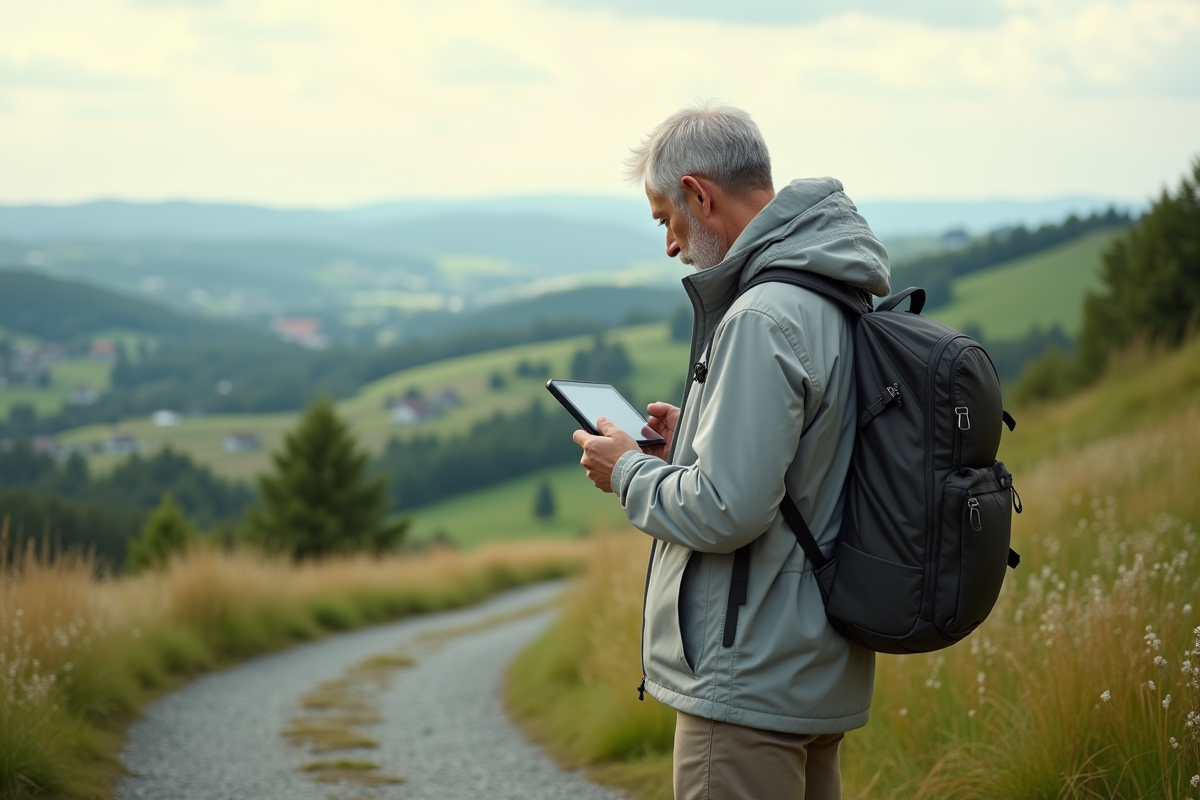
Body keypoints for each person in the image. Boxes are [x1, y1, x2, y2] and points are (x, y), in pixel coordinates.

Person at [570, 102, 891, 800]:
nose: (670, 244)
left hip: (748, 675)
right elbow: (816, 452)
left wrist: (626, 469)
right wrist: (703, 427)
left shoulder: (762, 314)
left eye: (665, 218)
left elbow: (727, 510)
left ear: (699, 195)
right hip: (814, 658)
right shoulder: (832, 286)